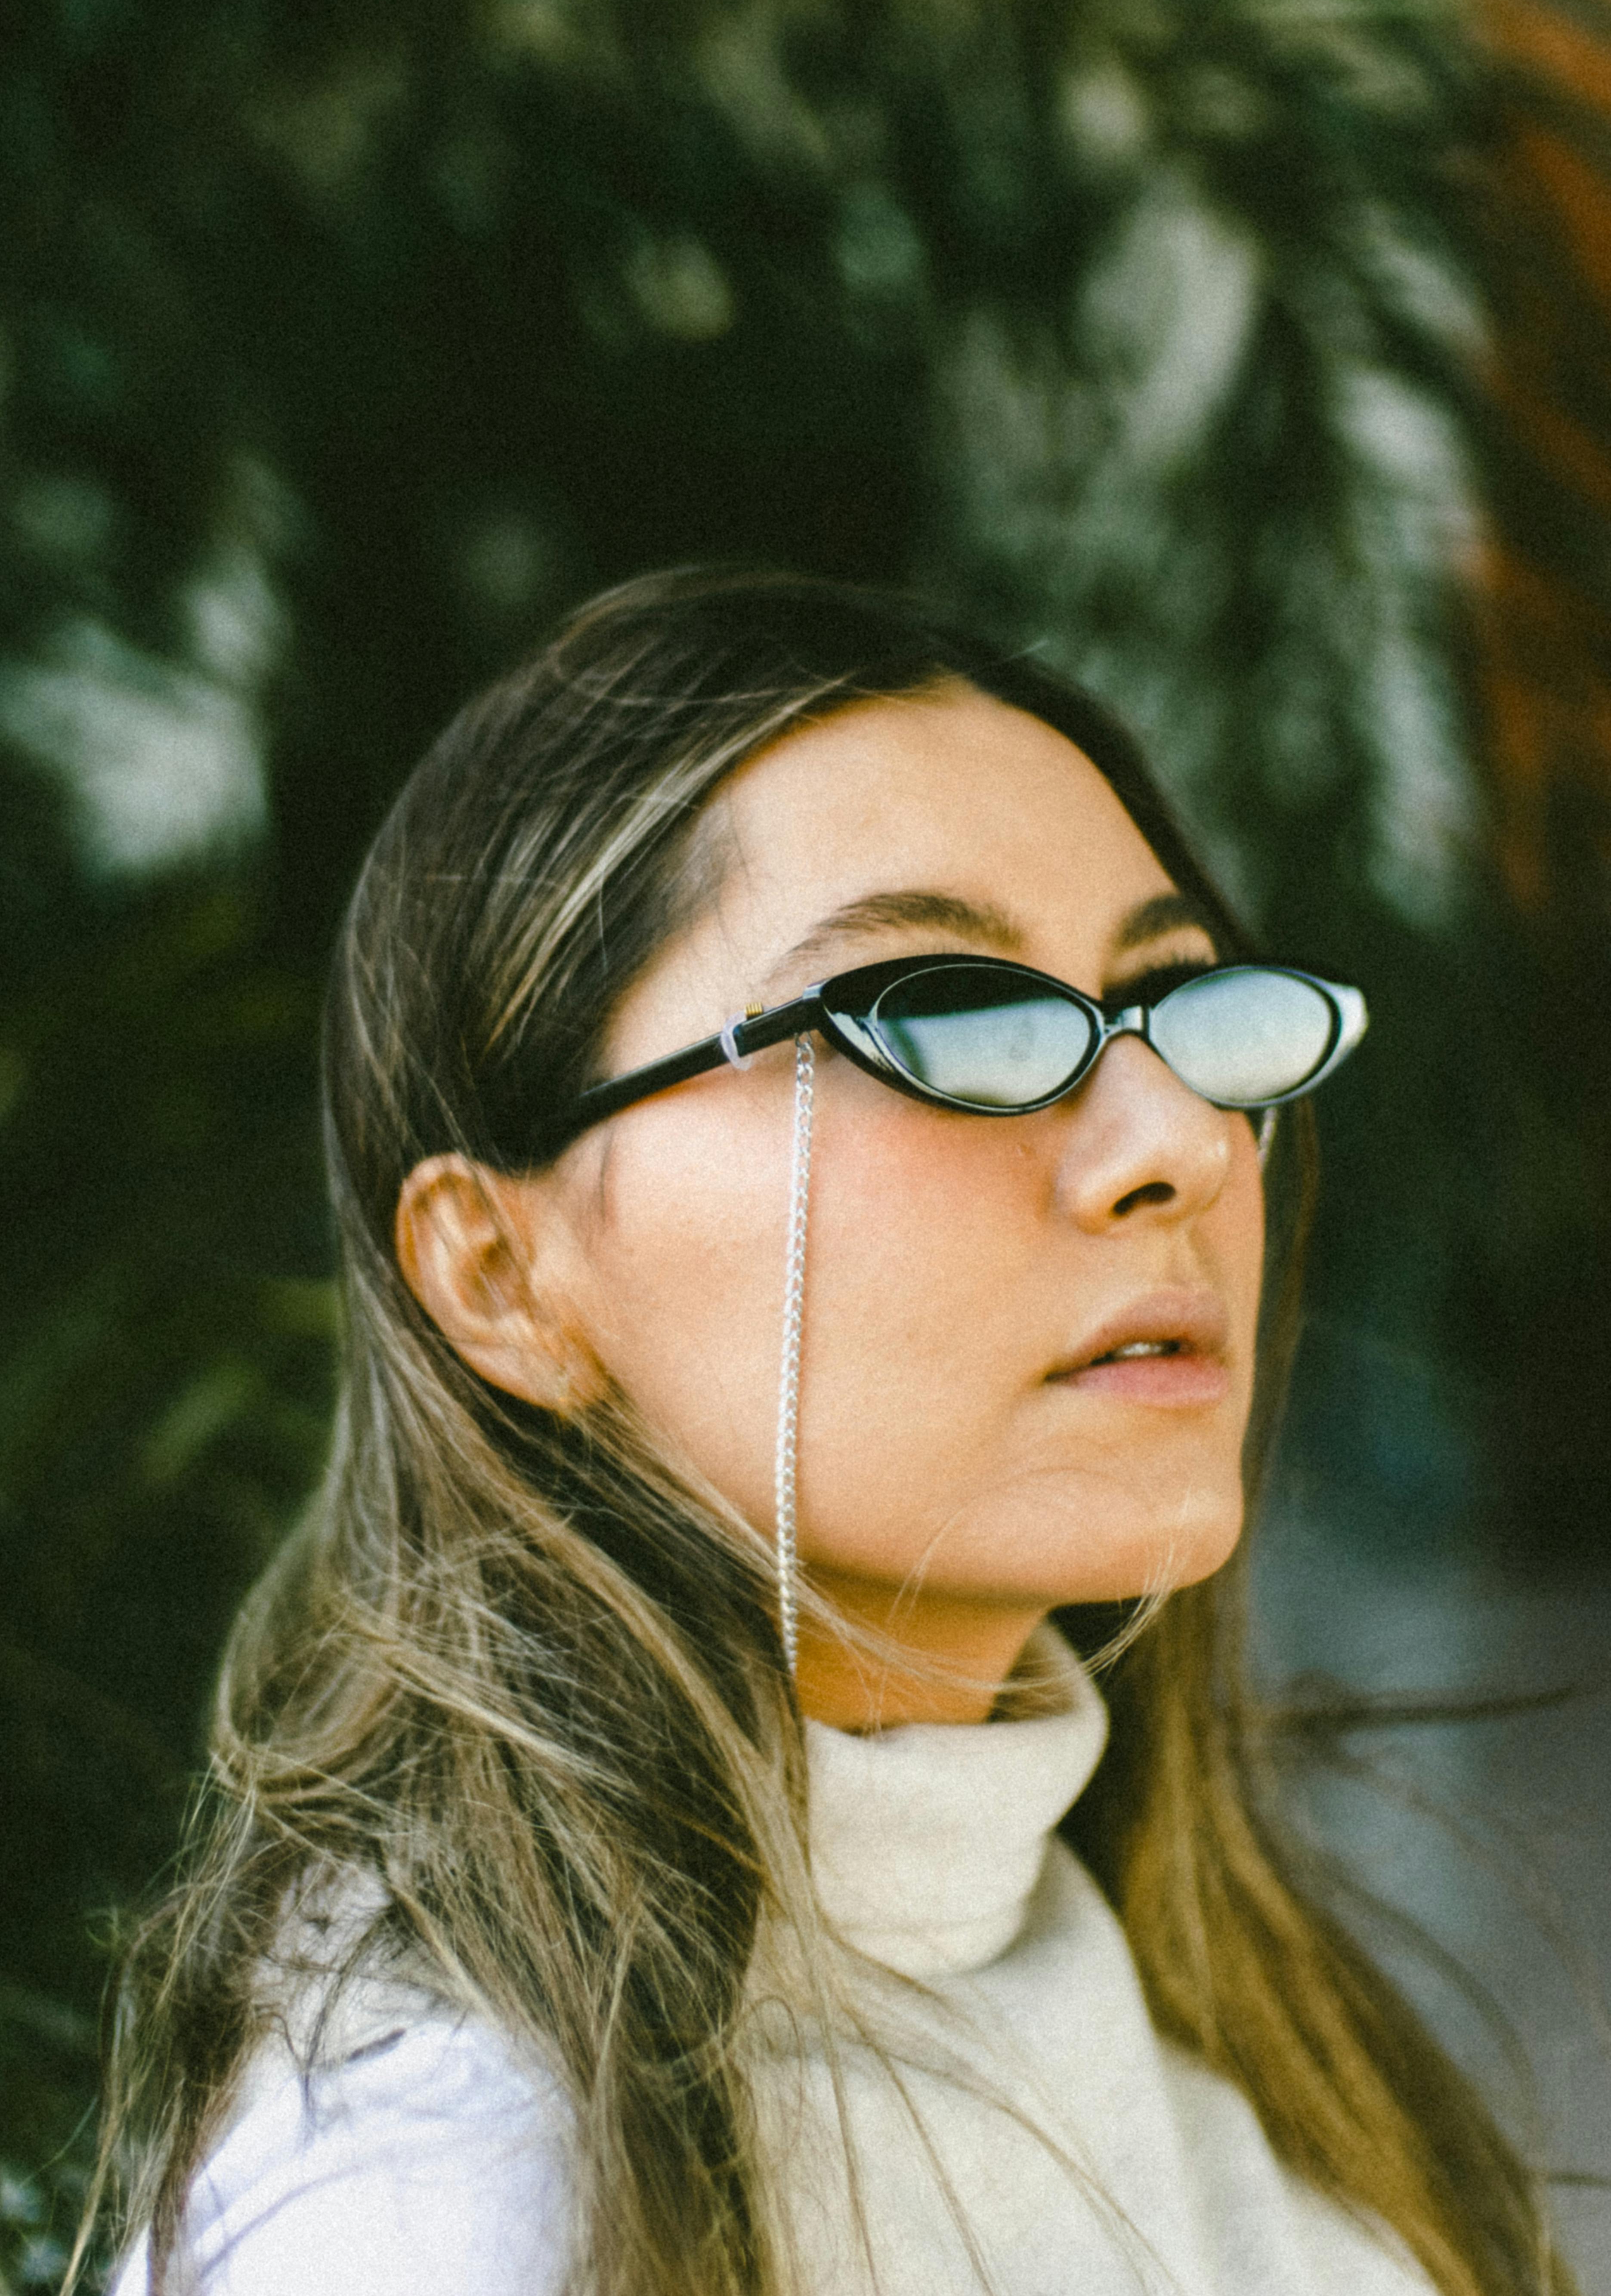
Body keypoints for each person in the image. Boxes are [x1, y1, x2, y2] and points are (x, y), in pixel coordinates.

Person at [91, 571, 1569, 2296]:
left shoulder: (1215, 1997)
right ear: (503, 1275)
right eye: (944, 1019)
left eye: (1180, 1005)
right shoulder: (448, 2205)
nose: (1177, 1140)